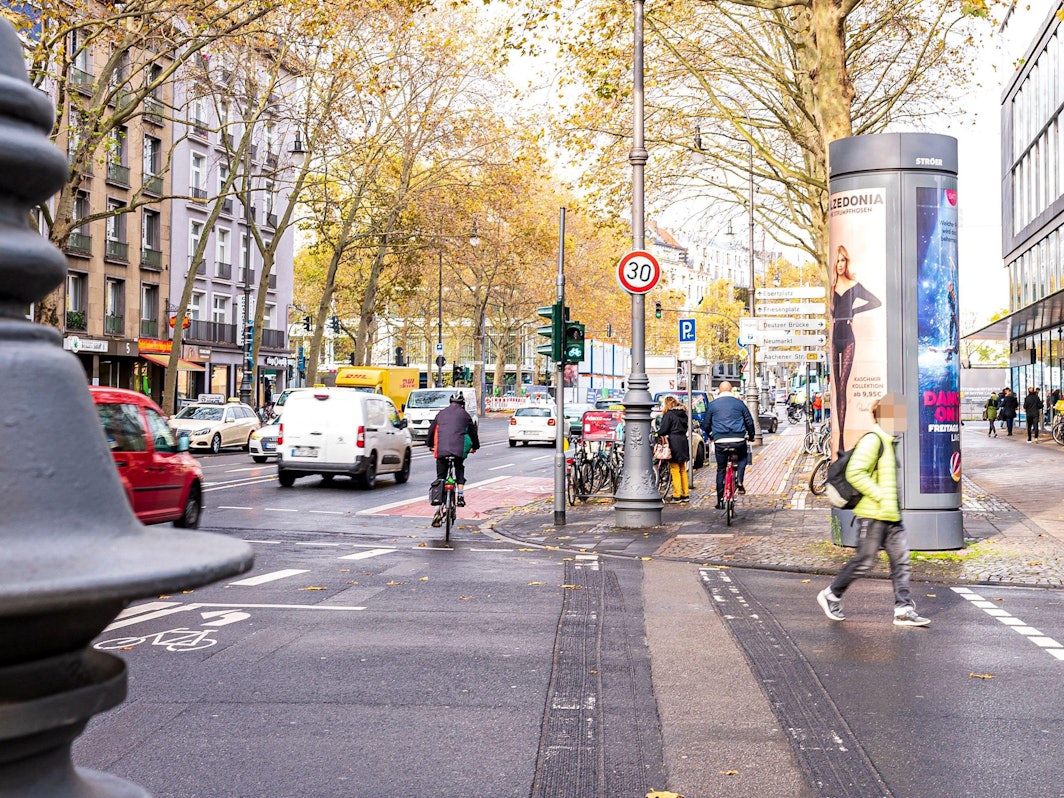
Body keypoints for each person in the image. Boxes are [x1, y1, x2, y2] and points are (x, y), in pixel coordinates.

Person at [816, 394, 930, 627]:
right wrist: (880, 495)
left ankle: (903, 609)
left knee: (901, 561)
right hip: (873, 514)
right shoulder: (874, 440)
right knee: (865, 561)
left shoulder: (888, 442)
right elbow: (855, 472)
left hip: (890, 515)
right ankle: (831, 594)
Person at [830, 244, 882, 455]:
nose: (840, 264)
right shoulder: (832, 286)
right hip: (835, 335)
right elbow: (831, 311)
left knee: (843, 385)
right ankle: (840, 441)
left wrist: (853, 311)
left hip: (848, 336)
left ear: (847, 262)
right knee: (837, 389)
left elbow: (876, 301)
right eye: (838, 260)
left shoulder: (854, 285)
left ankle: (842, 442)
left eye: (843, 260)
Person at [427, 392, 479, 527]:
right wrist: (475, 446)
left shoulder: (441, 413)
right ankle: (460, 495)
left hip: (441, 451)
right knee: (459, 467)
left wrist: (430, 445)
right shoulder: (465, 415)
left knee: (441, 478)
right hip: (458, 451)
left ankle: (437, 511)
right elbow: (473, 433)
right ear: (462, 404)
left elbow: (431, 430)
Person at [703, 380, 755, 509]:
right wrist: (751, 436)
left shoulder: (712, 405)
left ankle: (720, 500)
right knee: (743, 457)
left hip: (720, 440)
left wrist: (711, 436)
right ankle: (740, 480)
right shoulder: (739, 403)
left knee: (721, 468)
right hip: (738, 439)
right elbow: (749, 421)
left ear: (719, 391)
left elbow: (706, 424)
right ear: (731, 390)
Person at [657, 395, 691, 503]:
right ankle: (685, 494)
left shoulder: (669, 414)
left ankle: (677, 495)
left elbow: (664, 429)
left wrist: (656, 434)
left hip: (674, 442)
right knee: (682, 469)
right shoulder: (683, 414)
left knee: (674, 469)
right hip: (683, 441)